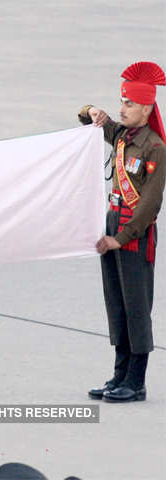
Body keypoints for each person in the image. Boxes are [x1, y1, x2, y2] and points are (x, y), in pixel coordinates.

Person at [78, 61, 165, 403]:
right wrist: (93, 111)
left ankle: (136, 381)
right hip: (112, 225)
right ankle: (118, 376)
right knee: (116, 304)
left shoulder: (154, 147)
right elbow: (84, 116)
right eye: (121, 102)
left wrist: (122, 236)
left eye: (129, 104)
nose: (122, 108)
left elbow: (150, 203)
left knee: (136, 307)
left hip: (134, 234)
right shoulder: (121, 135)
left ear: (145, 108)